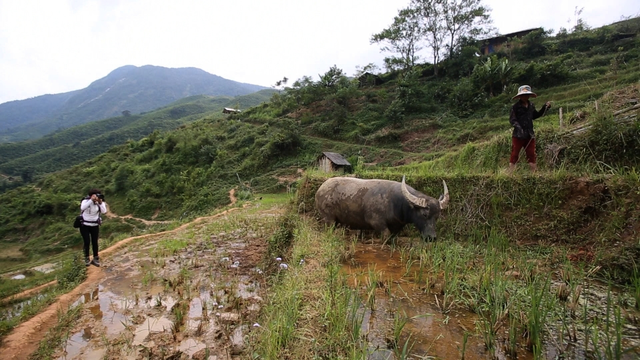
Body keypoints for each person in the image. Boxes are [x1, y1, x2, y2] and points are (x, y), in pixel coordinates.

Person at [508, 85, 552, 173]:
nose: (525, 96)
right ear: (520, 96)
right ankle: (511, 174)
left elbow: (535, 116)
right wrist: (520, 129)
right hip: (518, 135)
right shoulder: (515, 107)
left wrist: (545, 108)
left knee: (531, 154)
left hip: (529, 134)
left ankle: (534, 174)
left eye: (527, 94)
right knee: (515, 154)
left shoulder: (531, 105)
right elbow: (512, 120)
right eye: (523, 95)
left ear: (529, 95)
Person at [80, 189, 107, 266]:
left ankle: (96, 257)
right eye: (95, 195)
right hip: (84, 225)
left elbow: (104, 211)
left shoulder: (99, 202)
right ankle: (86, 258)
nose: (97, 197)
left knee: (95, 242)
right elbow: (82, 208)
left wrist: (100, 202)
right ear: (91, 195)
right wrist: (91, 200)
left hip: (94, 225)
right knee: (87, 241)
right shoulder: (85, 201)